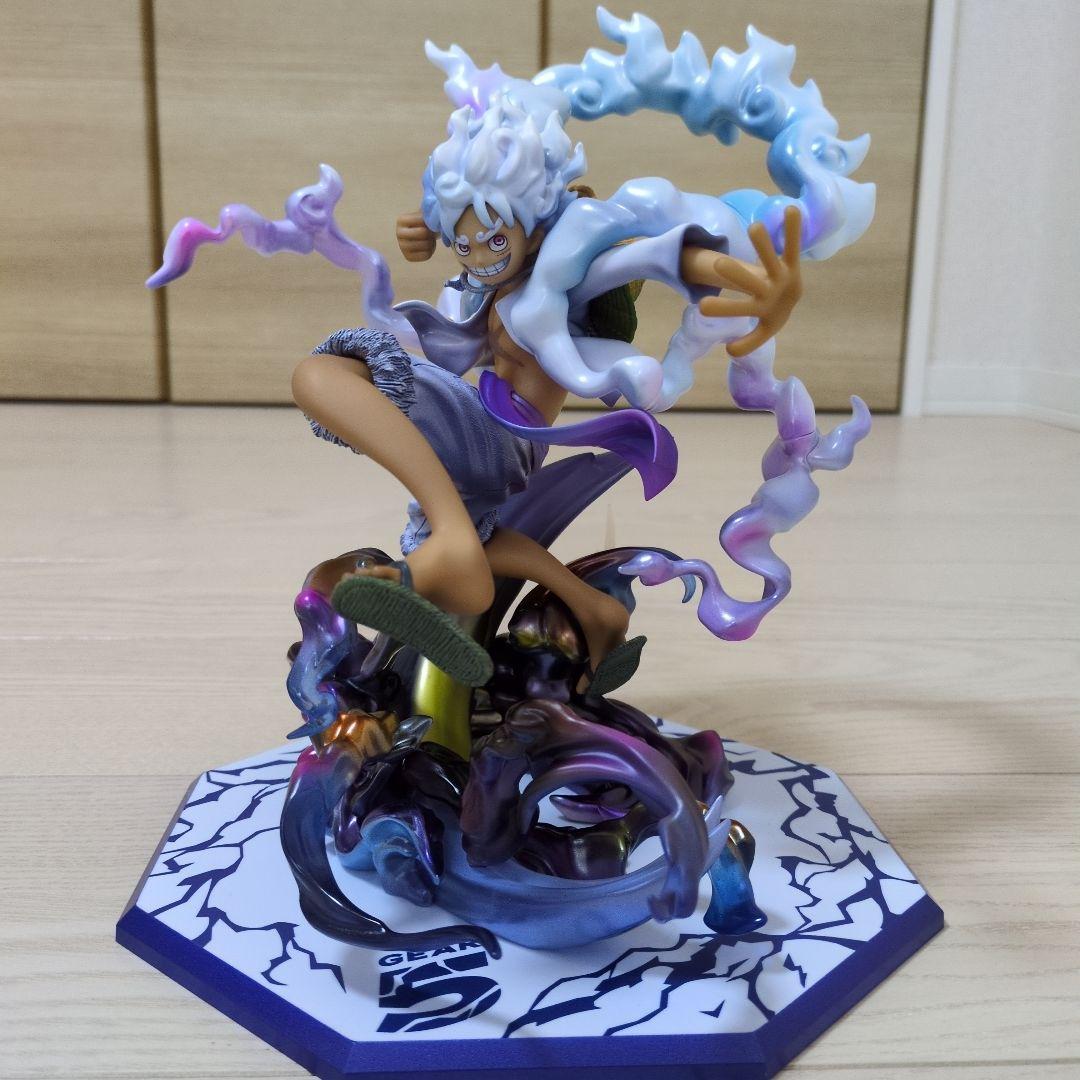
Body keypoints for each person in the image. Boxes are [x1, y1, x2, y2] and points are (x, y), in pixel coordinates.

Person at [289, 88, 803, 691]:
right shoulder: (502, 279)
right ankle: (595, 610)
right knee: (480, 539)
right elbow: (475, 233)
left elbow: (658, 256)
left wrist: (745, 277)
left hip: (494, 433)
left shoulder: (566, 279)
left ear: (535, 226)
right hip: (498, 439)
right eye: (464, 244)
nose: (479, 258)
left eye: (496, 241)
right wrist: (429, 228)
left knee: (322, 374)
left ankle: (451, 543)